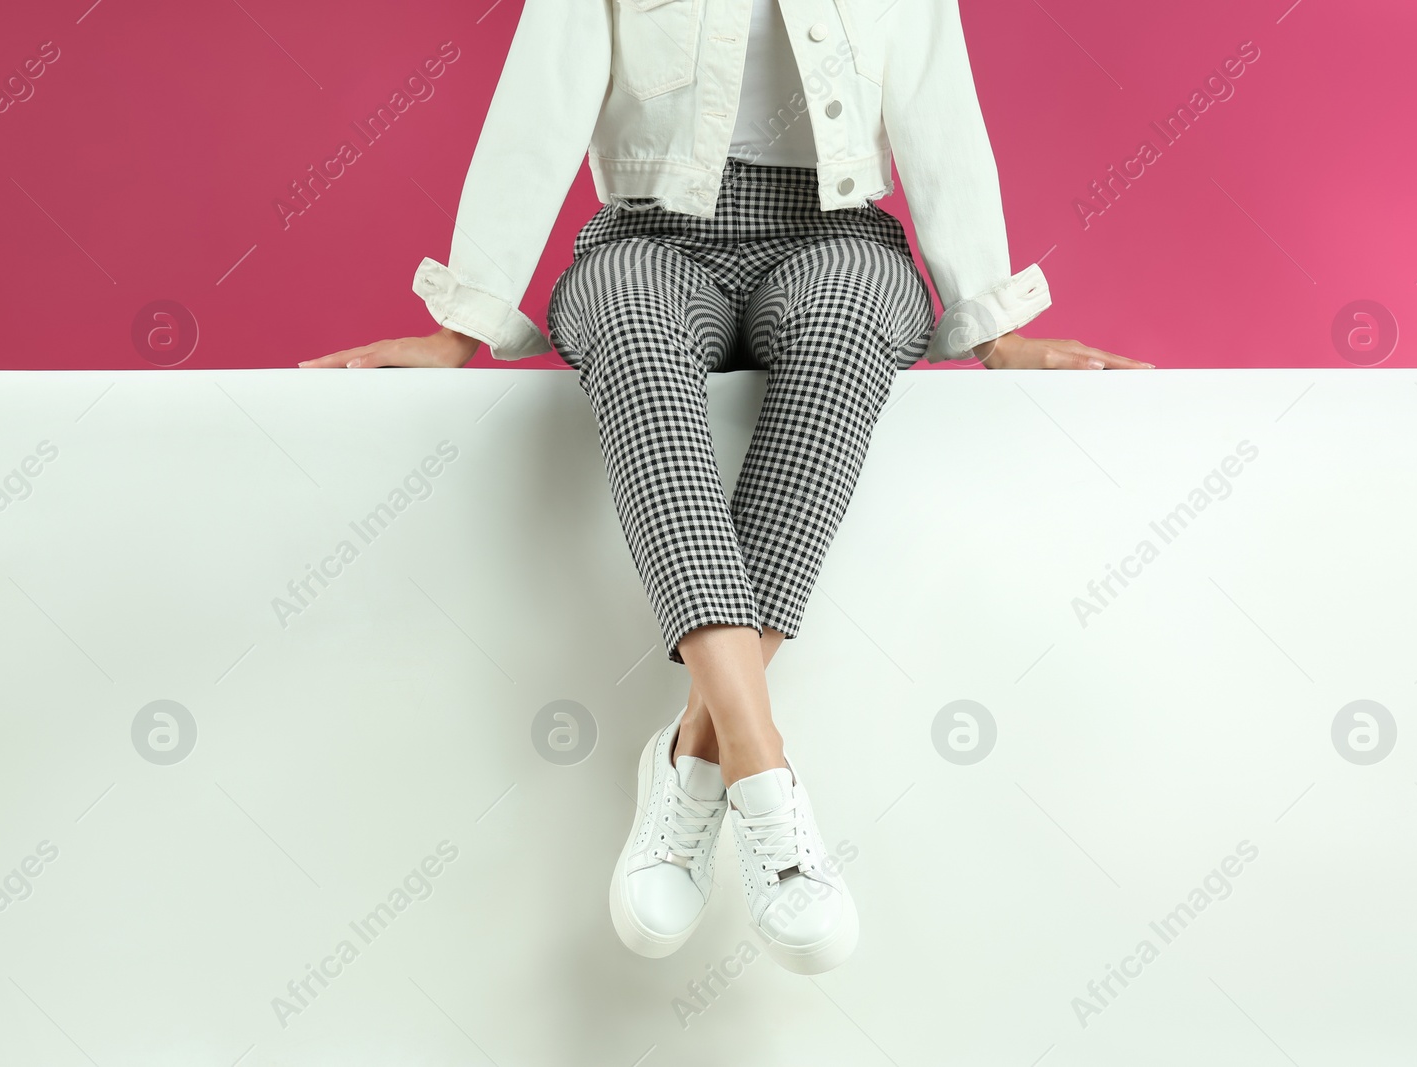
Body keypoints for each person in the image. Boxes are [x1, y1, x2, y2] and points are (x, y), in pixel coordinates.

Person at [302, 0, 1152, 974]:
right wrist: (462, 321)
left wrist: (997, 327)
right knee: (627, 333)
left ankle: (692, 758)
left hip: (840, 242)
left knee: (849, 333)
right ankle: (762, 771)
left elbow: (937, 114)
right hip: (646, 240)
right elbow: (537, 111)